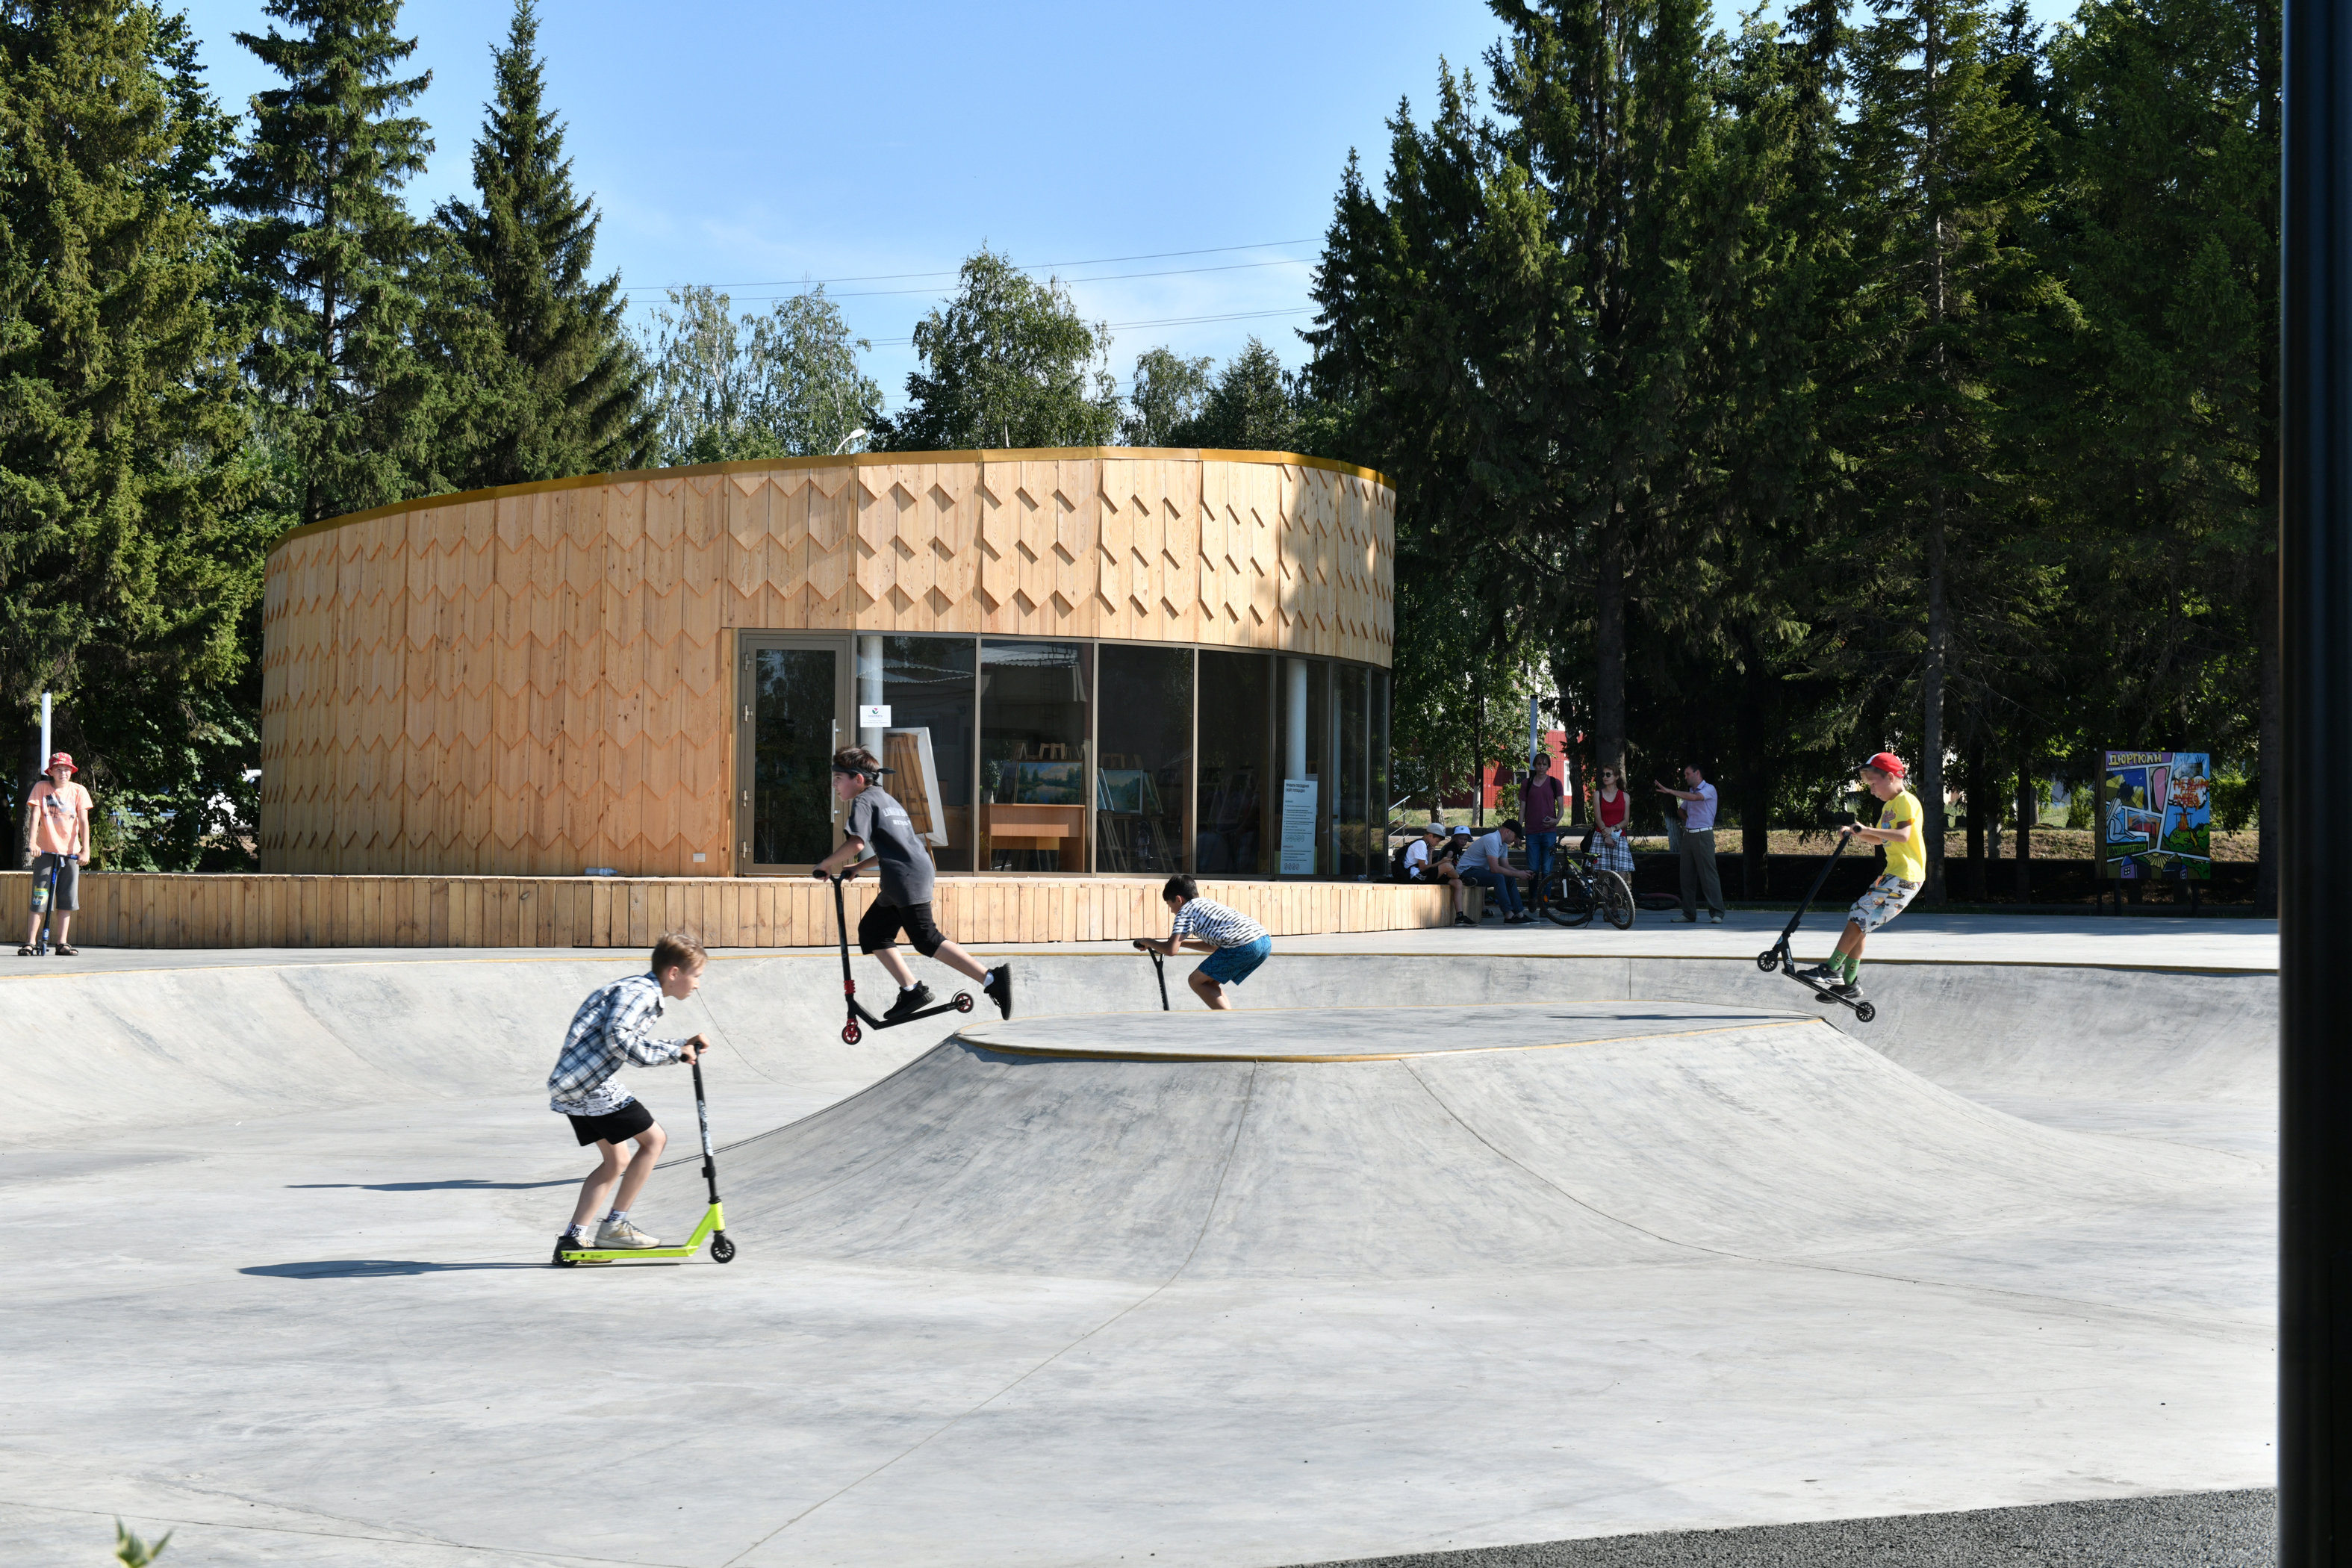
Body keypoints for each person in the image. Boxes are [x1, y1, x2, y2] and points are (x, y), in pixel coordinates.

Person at [547, 932, 716, 1259]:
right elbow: (619, 1039)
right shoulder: (640, 994)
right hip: (590, 1084)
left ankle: (573, 1236)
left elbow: (625, 1037)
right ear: (674, 973)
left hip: (574, 1085)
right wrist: (675, 1054)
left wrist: (680, 1044)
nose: (697, 985)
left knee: (617, 1161)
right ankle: (615, 1225)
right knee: (654, 1141)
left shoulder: (637, 989)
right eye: (696, 976)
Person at [815, 745, 1013, 1020]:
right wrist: (859, 867)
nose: (835, 786)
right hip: (911, 871)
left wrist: (826, 864)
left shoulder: (863, 802)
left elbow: (857, 842)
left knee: (925, 938)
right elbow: (897, 846)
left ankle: (991, 979)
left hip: (903, 878)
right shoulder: (886, 799)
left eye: (838, 779)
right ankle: (911, 991)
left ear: (857, 779)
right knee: (873, 932)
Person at [1796, 752, 1923, 1004]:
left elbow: (1904, 835)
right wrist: (1857, 833)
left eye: (1874, 784)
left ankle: (1832, 970)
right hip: (1892, 875)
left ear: (1890, 777)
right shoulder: (1889, 807)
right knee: (1860, 917)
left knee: (1858, 916)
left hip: (1905, 876)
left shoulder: (1906, 801)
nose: (1872, 790)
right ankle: (1850, 983)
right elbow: (1880, 838)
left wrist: (1865, 829)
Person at [1133, 874, 1272, 1009]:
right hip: (1263, 941)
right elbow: (1212, 947)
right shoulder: (1206, 903)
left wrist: (1147, 941)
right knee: (1209, 983)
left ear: (1178, 900)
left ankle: (1227, 1022)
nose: (1171, 911)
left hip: (1242, 945)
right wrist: (1181, 943)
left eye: (1170, 906)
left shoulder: (1185, 912)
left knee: (1195, 981)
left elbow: (1171, 950)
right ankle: (1229, 1018)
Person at [20, 751, 91, 957]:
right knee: (39, 897)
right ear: (50, 771)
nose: (64, 773)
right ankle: (30, 942)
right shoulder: (41, 788)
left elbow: (84, 822)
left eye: (67, 769)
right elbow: (35, 816)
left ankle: (62, 943)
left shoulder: (79, 791)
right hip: (46, 851)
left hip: (70, 853)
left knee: (67, 898)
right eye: (59, 769)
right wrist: (32, 843)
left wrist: (85, 850)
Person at [1655, 763, 1725, 923]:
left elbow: (1695, 798)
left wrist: (1670, 791)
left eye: (1687, 774)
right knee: (1686, 875)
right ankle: (1688, 913)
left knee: (1708, 874)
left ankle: (1717, 913)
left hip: (1704, 835)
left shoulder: (1709, 789)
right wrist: (1690, 821)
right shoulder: (1691, 792)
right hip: (1689, 835)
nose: (1685, 777)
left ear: (1697, 773)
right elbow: (1681, 810)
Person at [1458, 818, 1536, 924]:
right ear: (1508, 832)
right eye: (1516, 836)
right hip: (1466, 872)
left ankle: (1519, 914)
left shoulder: (1503, 845)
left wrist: (1522, 873)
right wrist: (1518, 874)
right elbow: (1495, 868)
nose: (1515, 840)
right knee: (1498, 877)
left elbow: (1505, 866)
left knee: (1509, 877)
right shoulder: (1492, 840)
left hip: (1478, 871)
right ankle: (1508, 914)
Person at [1401, 821, 1472, 925]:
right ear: (1430, 836)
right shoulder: (1420, 844)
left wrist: (1430, 854)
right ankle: (1462, 878)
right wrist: (1441, 863)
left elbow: (1428, 866)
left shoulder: (1425, 845)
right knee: (1448, 866)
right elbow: (1422, 868)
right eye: (1437, 840)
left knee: (1457, 883)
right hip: (1416, 876)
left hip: (1424, 874)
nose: (1437, 843)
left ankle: (1460, 916)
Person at [1518, 753, 1566, 907]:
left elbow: (1561, 808)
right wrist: (1519, 831)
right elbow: (1522, 808)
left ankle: (1544, 903)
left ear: (1548, 766)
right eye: (1538, 764)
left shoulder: (1555, 783)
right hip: (1532, 832)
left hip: (1549, 832)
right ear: (1534, 765)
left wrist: (1556, 820)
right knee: (1532, 869)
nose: (1541, 767)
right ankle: (1532, 898)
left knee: (1547, 870)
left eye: (1544, 764)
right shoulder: (1527, 783)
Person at [1588, 765, 1635, 880]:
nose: (1605, 777)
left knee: (1621, 876)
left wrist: (1613, 829)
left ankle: (1618, 898)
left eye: (1608, 774)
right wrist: (1606, 835)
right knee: (1603, 877)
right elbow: (1598, 818)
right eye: (1603, 774)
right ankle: (1603, 898)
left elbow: (1626, 821)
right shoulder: (1598, 795)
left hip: (1619, 837)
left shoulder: (1625, 796)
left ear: (1616, 777)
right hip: (1601, 836)